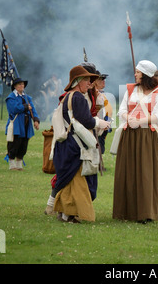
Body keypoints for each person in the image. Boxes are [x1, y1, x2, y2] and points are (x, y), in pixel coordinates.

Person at [51, 66, 110, 223]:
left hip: (67, 144)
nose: (89, 83)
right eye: (86, 79)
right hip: (74, 144)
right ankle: (68, 214)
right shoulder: (77, 97)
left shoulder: (69, 96)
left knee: (70, 181)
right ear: (77, 81)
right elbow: (86, 120)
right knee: (75, 183)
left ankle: (65, 214)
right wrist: (101, 122)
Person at [113, 60, 158, 223]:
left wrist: (142, 120)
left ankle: (146, 212)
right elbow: (122, 110)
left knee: (146, 174)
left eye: (137, 72)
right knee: (128, 172)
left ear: (144, 74)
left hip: (147, 137)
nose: (135, 74)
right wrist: (128, 117)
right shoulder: (130, 90)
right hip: (129, 135)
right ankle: (126, 212)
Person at [5, 78, 40, 171]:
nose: (22, 86)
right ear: (15, 86)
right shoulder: (11, 97)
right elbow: (13, 109)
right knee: (14, 144)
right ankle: (12, 165)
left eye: (23, 84)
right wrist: (25, 107)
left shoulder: (27, 98)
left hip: (26, 124)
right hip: (16, 124)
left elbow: (33, 110)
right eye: (19, 84)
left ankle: (19, 165)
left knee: (23, 145)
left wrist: (36, 120)